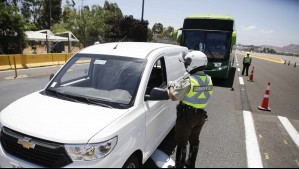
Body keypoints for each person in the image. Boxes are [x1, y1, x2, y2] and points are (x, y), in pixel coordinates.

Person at [168, 51, 214, 168]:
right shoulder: (208, 79)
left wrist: (171, 86)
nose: (186, 64)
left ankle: (179, 165)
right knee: (194, 141)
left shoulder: (189, 81)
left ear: (194, 64)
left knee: (182, 142)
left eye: (188, 62)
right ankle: (191, 164)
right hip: (201, 116)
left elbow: (173, 97)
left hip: (187, 117)